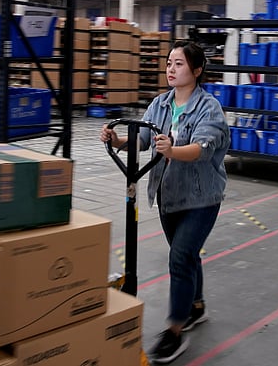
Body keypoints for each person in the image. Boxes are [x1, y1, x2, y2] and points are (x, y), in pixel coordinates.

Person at [101, 40, 229, 364]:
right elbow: (142, 140)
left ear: (197, 70)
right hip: (168, 196)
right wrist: (116, 140)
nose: (171, 69)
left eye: (179, 64)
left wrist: (173, 151)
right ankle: (196, 305)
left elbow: (203, 147)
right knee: (186, 256)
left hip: (202, 198)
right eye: (169, 63)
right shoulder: (159, 104)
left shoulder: (209, 107)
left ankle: (174, 331)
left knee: (180, 256)